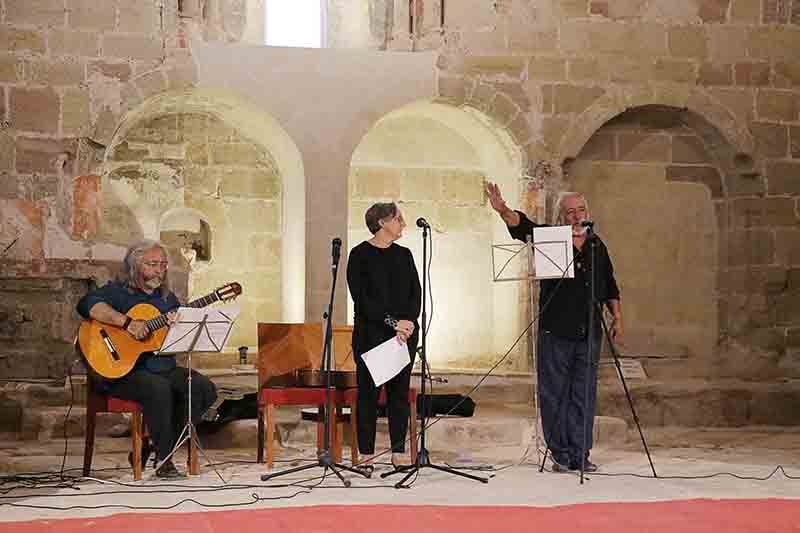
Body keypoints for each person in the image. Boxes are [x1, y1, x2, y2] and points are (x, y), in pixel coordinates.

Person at [486, 182, 623, 472]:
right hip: (555, 329)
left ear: (588, 212)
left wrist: (617, 318)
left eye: (580, 210)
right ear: (562, 216)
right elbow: (522, 225)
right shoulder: (551, 237)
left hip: (589, 331)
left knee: (584, 393)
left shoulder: (597, 245)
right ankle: (560, 453)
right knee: (554, 393)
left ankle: (580, 453)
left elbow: (610, 284)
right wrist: (502, 210)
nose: (576, 216)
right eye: (570, 212)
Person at [76, 240, 217, 479]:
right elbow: (86, 305)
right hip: (123, 371)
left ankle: (155, 445)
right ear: (134, 266)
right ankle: (165, 460)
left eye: (163, 265)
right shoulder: (117, 292)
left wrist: (178, 328)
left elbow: (170, 344)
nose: (159, 271)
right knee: (158, 389)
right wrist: (128, 323)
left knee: (203, 388)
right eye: (152, 264)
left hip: (161, 366)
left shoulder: (168, 299)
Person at [347, 202, 421, 472]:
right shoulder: (359, 255)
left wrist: (409, 323)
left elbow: (416, 293)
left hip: (404, 337)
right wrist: (394, 323)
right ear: (381, 222)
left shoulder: (405, 255)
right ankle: (366, 454)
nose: (403, 223)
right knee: (368, 395)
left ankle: (398, 451)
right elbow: (363, 301)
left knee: (399, 395)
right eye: (398, 218)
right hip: (372, 335)